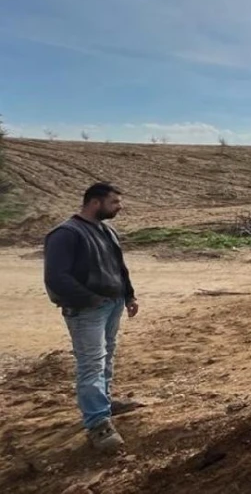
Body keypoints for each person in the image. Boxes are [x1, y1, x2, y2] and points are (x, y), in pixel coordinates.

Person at [43, 182, 139, 452]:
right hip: (87, 310)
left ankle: (104, 404)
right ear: (95, 203)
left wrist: (129, 295)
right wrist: (91, 299)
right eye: (114, 202)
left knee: (106, 356)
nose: (119, 207)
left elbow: (119, 267)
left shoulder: (107, 231)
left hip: (113, 304)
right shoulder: (66, 233)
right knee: (91, 364)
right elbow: (56, 277)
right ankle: (97, 423)